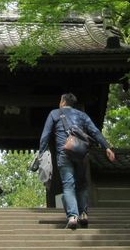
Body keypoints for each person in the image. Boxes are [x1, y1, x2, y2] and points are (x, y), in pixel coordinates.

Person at [39, 93, 115, 230]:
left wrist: (41, 153)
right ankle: (84, 214)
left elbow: (45, 135)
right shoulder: (82, 115)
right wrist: (107, 147)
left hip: (64, 153)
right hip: (81, 154)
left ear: (62, 102)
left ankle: (73, 216)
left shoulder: (54, 114)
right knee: (82, 184)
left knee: (68, 185)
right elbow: (95, 131)